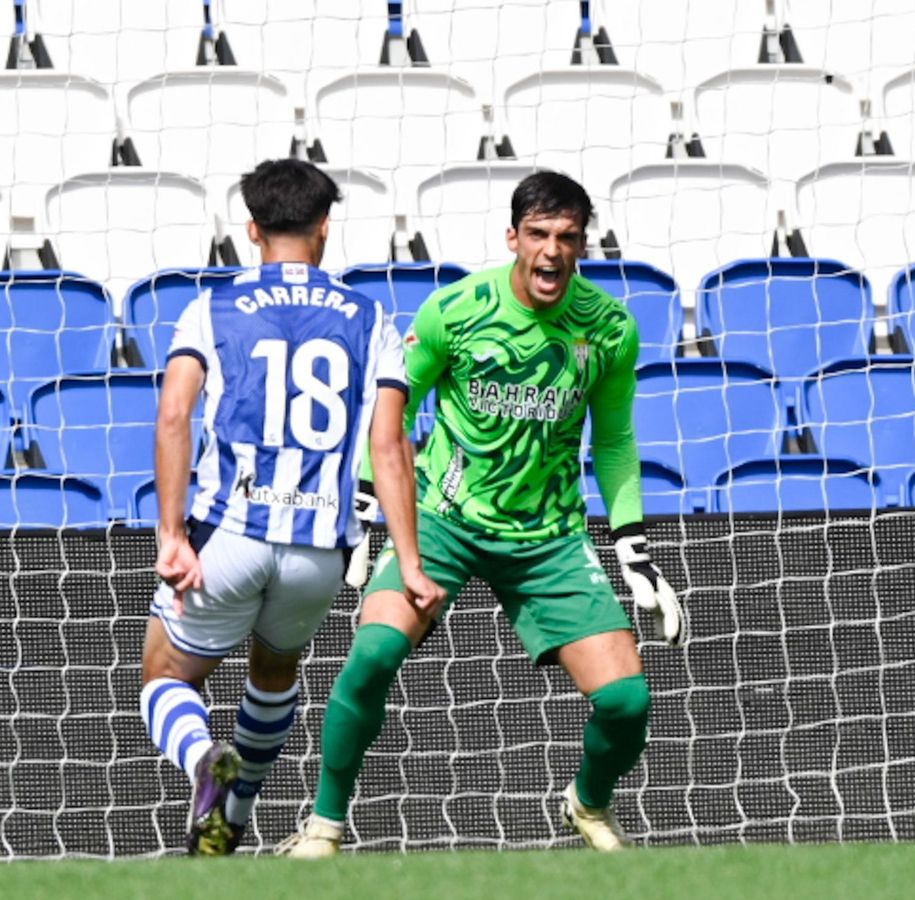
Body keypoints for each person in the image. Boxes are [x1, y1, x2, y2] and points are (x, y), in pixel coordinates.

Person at [279, 171, 683, 858]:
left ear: (583, 243)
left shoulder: (609, 329)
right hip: (442, 516)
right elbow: (393, 410)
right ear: (513, 237)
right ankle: (323, 826)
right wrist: (368, 504)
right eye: (539, 235)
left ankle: (586, 804)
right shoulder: (455, 310)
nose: (552, 252)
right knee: (372, 654)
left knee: (627, 703)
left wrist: (633, 546)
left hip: (548, 535)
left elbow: (613, 439)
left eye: (567, 238)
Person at [142, 158, 440, 856]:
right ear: (325, 228)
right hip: (319, 549)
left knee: (164, 674)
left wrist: (171, 534)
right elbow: (391, 445)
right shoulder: (370, 317)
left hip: (230, 534)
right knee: (273, 672)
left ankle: (202, 766)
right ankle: (235, 814)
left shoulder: (211, 308)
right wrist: (412, 560)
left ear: (251, 227)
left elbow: (173, 417)